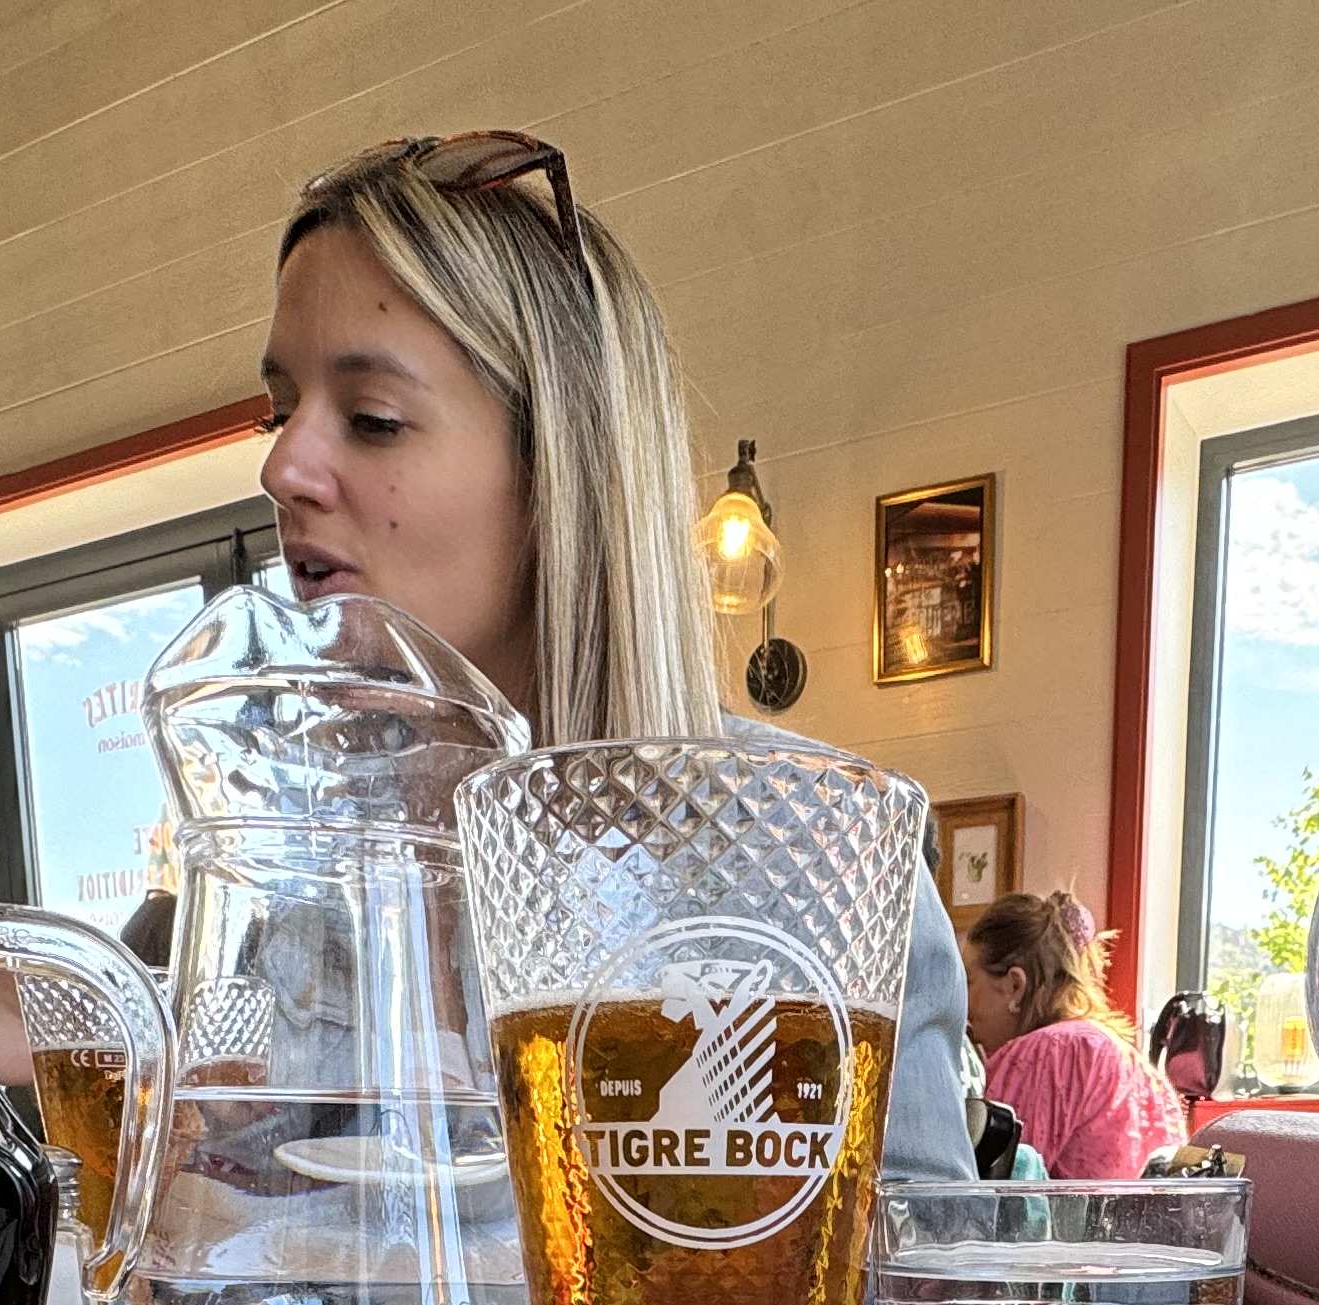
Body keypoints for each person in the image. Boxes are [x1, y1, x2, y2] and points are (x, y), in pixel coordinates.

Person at [260, 133, 971, 1181]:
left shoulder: (818, 853)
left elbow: (909, 1271)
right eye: (279, 412)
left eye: (371, 419)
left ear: (560, 467)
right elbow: (300, 1247)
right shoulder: (312, 876)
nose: (282, 465)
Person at [963, 890, 1183, 1178]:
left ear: (1015, 986)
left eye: (968, 981)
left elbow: (988, 1187)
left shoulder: (1046, 1054)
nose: (960, 999)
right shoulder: (1134, 1065)